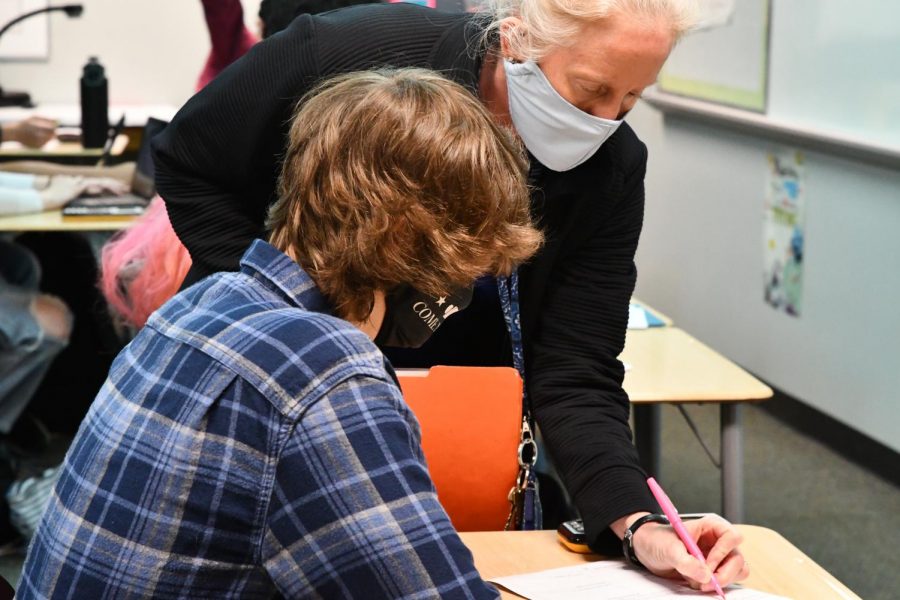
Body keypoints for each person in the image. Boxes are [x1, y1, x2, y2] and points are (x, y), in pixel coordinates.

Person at [151, 0, 751, 591]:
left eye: (630, 99)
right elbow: (190, 162)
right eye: (590, 89)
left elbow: (575, 370)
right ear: (516, 41)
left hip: (465, 414)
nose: (604, 119)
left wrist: (635, 521)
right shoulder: (345, 55)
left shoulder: (611, 168)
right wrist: (300, 322)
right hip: (289, 376)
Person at [19, 68, 541, 599]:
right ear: (411, 239)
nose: (467, 284)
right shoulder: (325, 370)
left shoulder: (204, 302)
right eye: (472, 259)